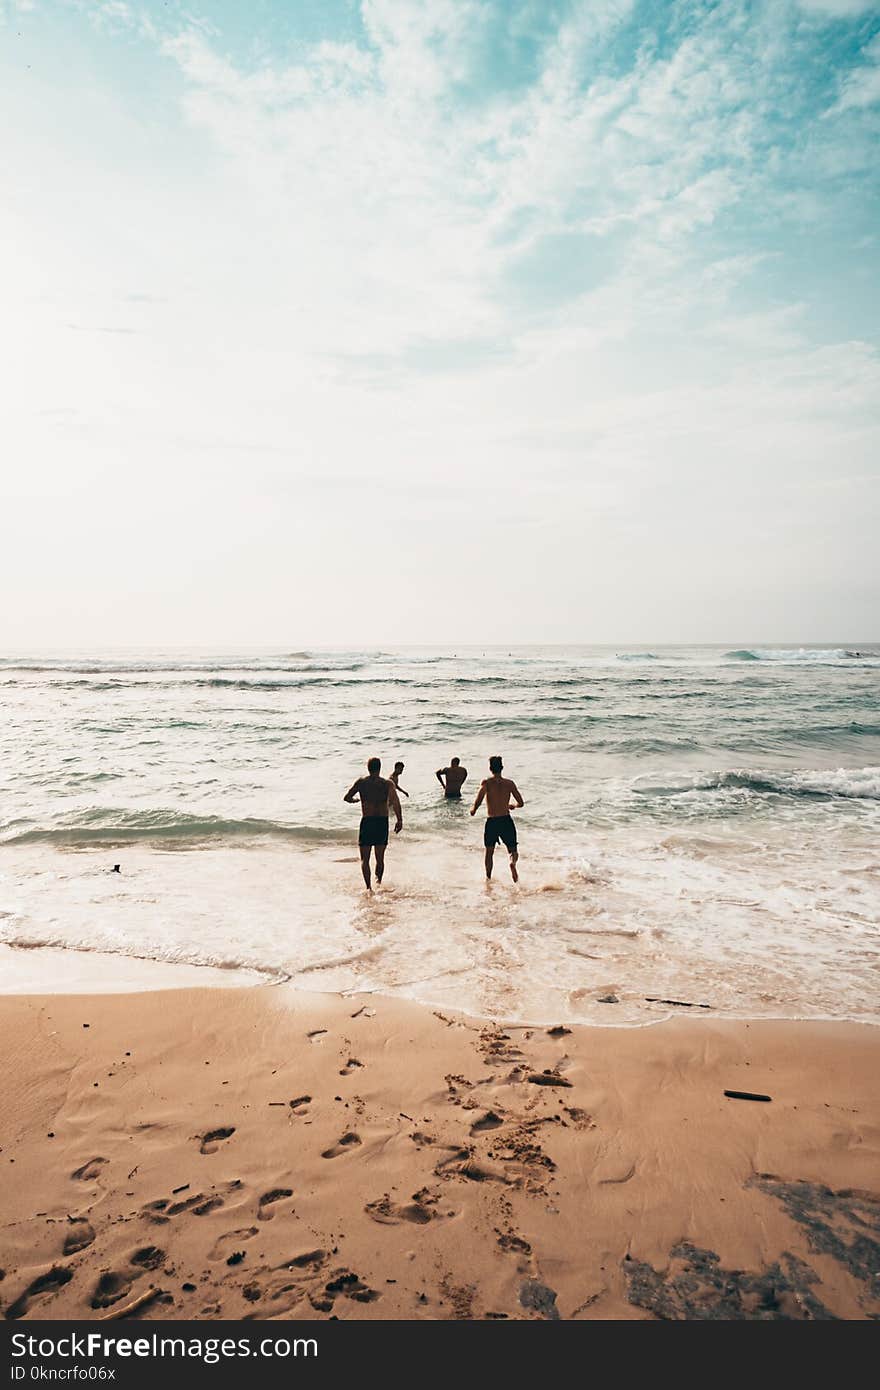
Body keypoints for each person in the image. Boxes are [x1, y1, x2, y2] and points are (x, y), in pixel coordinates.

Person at [344, 757, 403, 890]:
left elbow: (347, 797)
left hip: (367, 822)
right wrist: (400, 820)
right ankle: (378, 884)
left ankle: (368, 888)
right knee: (380, 858)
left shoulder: (361, 782)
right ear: (380, 767)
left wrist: (355, 800)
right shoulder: (387, 784)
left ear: (368, 768)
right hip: (382, 822)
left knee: (365, 859)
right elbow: (395, 802)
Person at [470, 755, 524, 882]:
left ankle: (488, 878)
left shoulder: (487, 783)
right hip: (506, 820)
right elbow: (521, 803)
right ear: (502, 768)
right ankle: (512, 863)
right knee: (512, 849)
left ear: (490, 768)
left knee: (489, 852)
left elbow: (479, 798)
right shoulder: (509, 784)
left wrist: (474, 809)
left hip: (492, 821)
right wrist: (513, 805)